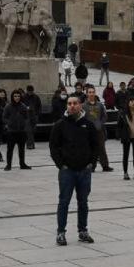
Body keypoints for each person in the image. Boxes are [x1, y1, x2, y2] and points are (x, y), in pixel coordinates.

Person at [49, 94, 99, 246]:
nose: (72, 106)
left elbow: (95, 146)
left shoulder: (88, 124)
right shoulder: (60, 124)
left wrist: (91, 163)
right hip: (67, 171)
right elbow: (53, 147)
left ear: (80, 105)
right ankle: (60, 232)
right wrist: (61, 164)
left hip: (84, 171)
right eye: (69, 103)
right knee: (64, 202)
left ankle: (83, 231)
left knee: (83, 202)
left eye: (75, 103)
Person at [83, 86, 113, 172]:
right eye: (90, 92)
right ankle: (91, 166)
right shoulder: (83, 106)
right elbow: (82, 117)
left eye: (93, 92)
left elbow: (104, 116)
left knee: (102, 148)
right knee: (90, 149)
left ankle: (105, 166)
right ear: (87, 93)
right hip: (88, 131)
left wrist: (100, 123)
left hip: (99, 130)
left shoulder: (100, 105)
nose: (91, 94)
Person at [2, 89, 32, 171]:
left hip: (21, 132)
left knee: (21, 149)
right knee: (10, 149)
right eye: (15, 96)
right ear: (12, 97)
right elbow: (4, 117)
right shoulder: (8, 106)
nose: (17, 98)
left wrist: (24, 124)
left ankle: (22, 164)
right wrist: (10, 123)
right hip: (11, 132)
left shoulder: (23, 106)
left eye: (18, 96)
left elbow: (27, 117)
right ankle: (8, 165)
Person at [24, 85, 42, 150]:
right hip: (26, 116)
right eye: (29, 91)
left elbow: (39, 106)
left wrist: (38, 114)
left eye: (31, 91)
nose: (30, 93)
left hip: (34, 116)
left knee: (32, 130)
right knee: (29, 130)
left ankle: (30, 143)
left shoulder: (36, 97)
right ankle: (30, 145)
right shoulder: (24, 97)